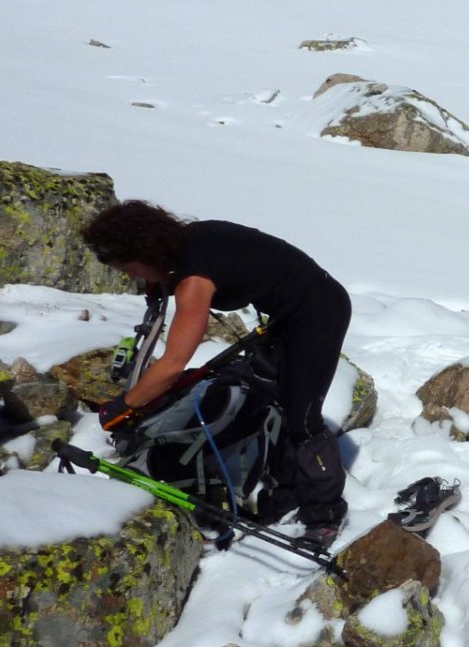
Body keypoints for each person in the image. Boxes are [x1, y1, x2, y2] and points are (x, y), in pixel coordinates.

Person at [81, 200, 352, 542]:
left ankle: (324, 513)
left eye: (129, 267)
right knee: (273, 397)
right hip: (289, 315)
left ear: (146, 250)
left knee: (303, 417)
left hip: (320, 312)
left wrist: (125, 405)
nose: (130, 276)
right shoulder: (185, 244)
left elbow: (172, 364)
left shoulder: (195, 278)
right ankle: (287, 493)